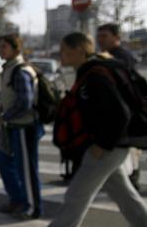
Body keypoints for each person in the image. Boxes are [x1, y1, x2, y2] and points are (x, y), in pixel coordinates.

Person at [49, 32, 147, 227]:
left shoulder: (94, 76)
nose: (59, 54)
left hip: (109, 147)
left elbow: (120, 114)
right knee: (124, 195)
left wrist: (102, 144)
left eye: (63, 50)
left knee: (76, 196)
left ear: (78, 50)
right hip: (115, 145)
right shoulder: (91, 72)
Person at [0, 34, 43, 219]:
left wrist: (6, 115)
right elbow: (11, 96)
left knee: (26, 170)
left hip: (24, 127)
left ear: (15, 49)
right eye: (0, 46)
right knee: (4, 160)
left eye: (4, 46)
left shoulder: (20, 71)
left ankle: (32, 208)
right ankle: (18, 199)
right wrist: (1, 110)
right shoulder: (9, 68)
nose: (0, 50)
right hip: (12, 126)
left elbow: (25, 102)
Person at [96, 23, 142, 191]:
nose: (100, 40)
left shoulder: (120, 57)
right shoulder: (108, 56)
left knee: (127, 153)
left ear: (117, 37)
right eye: (99, 36)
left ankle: (132, 181)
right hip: (120, 112)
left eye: (104, 36)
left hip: (125, 113)